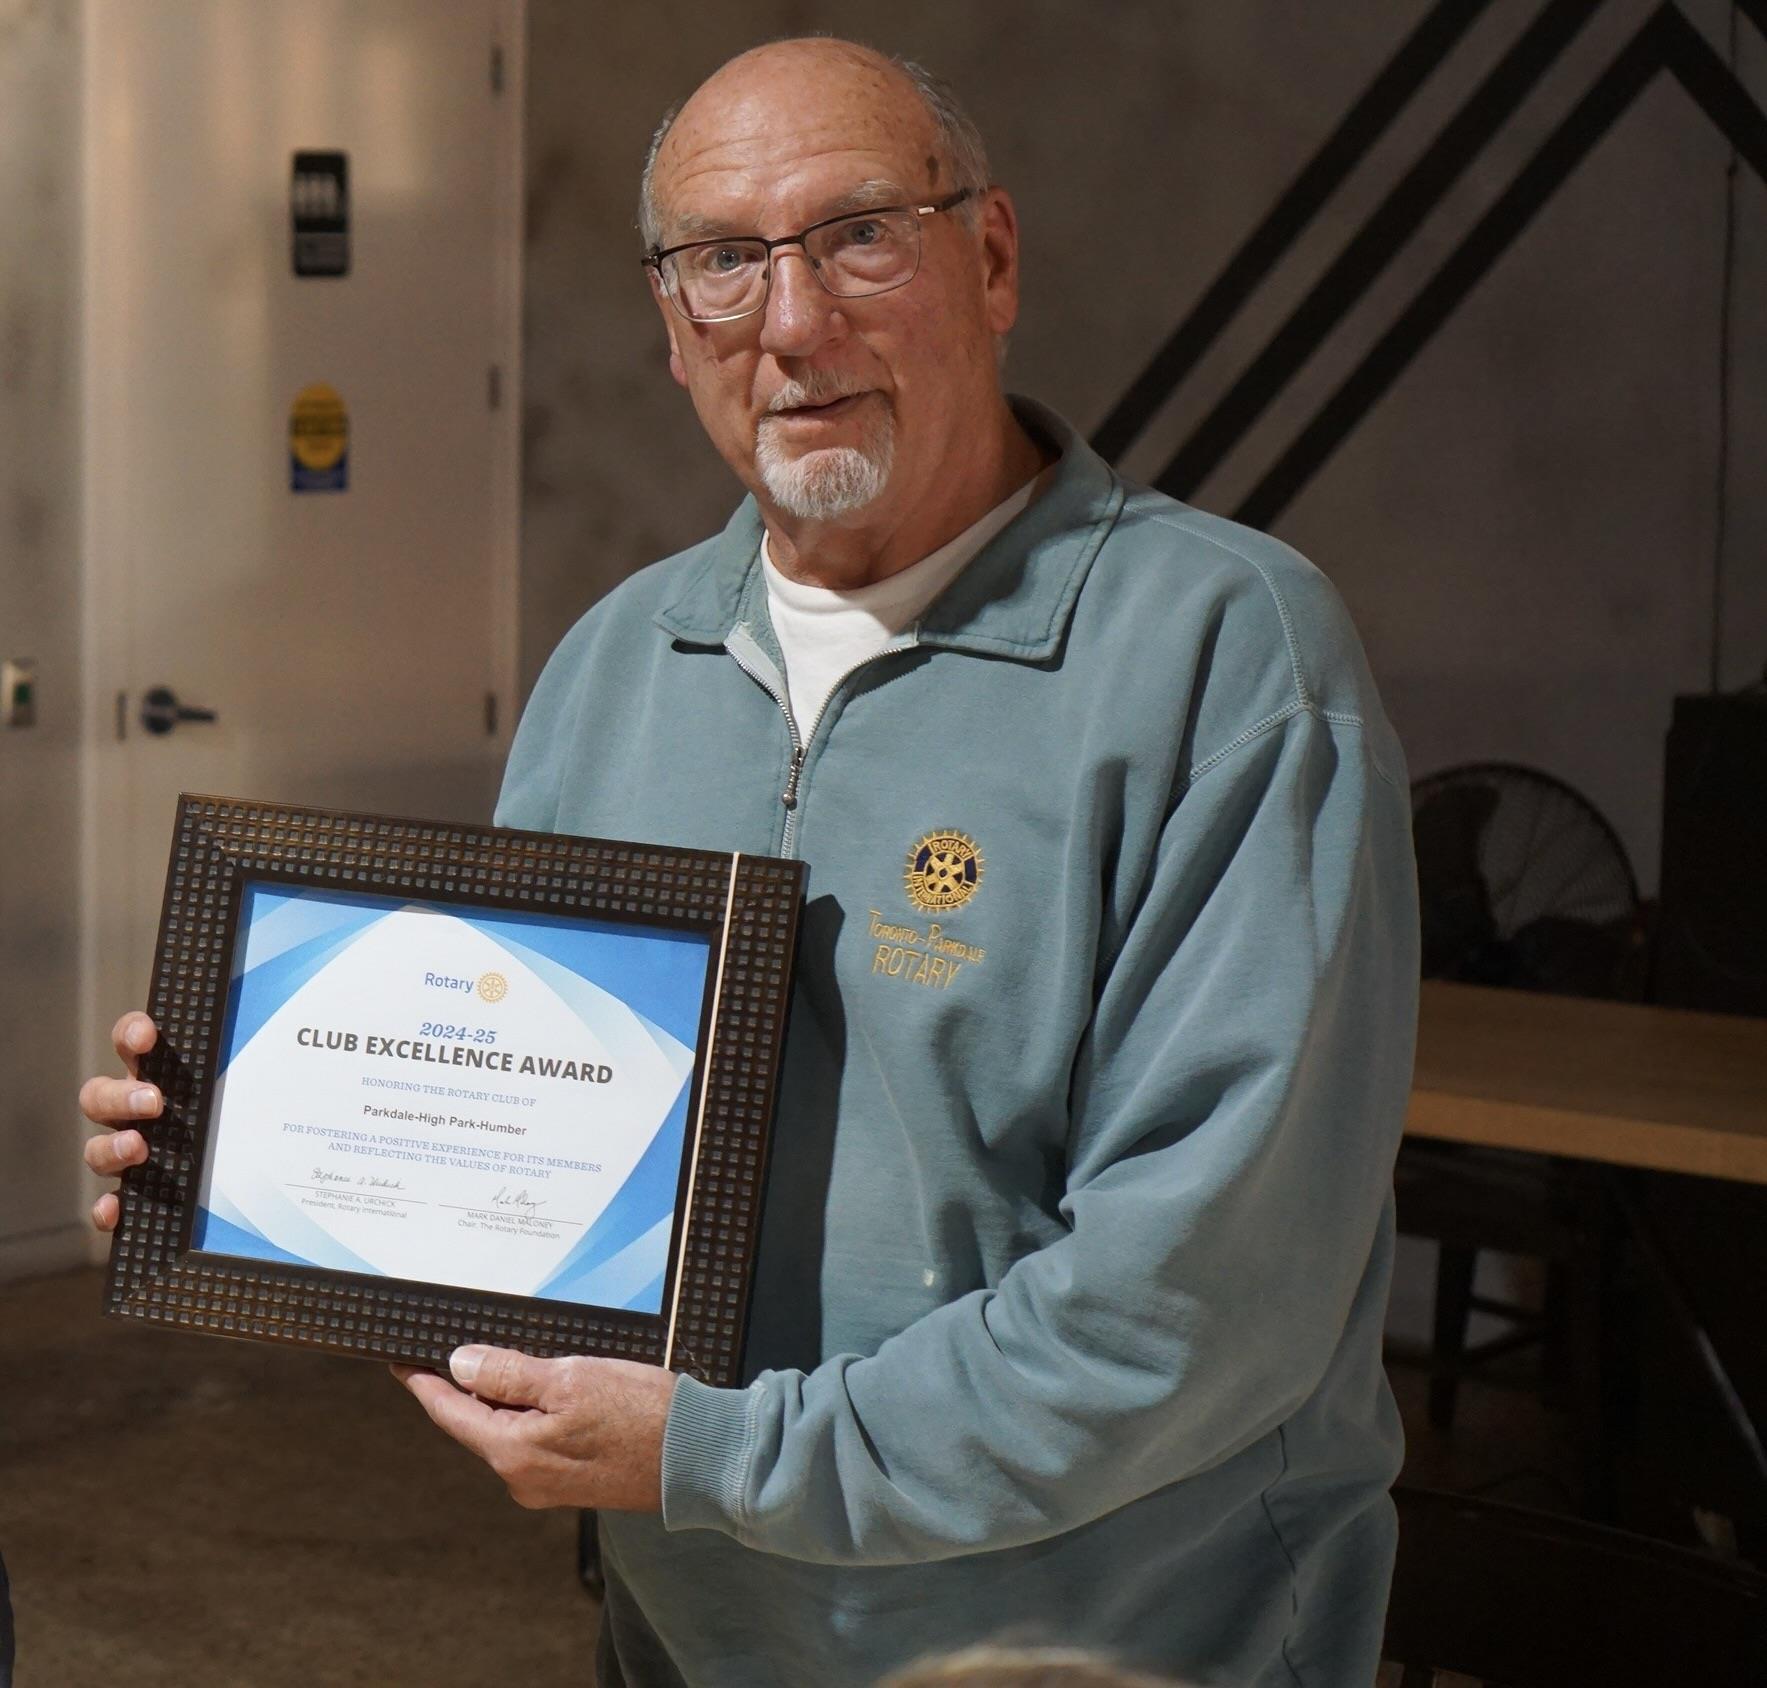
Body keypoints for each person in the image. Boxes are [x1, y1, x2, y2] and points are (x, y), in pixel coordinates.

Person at [80, 37, 1419, 1688]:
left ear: (992, 259)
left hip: (1104, 1647)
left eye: (860, 235)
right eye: (721, 261)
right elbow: (516, 1159)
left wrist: (725, 1461)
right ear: (671, 325)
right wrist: (247, 1169)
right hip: (698, 1634)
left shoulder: (1224, 654)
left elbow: (1198, 1307)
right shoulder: (619, 664)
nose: (793, 322)